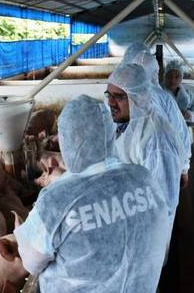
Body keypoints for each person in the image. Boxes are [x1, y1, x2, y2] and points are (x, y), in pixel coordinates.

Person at [14, 94, 169, 293]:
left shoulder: (56, 199)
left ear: (67, 140)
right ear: (110, 133)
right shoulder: (144, 177)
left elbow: (31, 262)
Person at [105, 64, 183, 235]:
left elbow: (164, 201)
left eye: (119, 97)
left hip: (145, 232)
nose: (111, 102)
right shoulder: (127, 122)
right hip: (125, 217)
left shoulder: (156, 140)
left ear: (137, 97)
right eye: (109, 95)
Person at [122, 44, 192, 188]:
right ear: (155, 71)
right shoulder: (164, 97)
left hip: (128, 169)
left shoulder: (117, 96)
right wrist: (184, 167)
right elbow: (180, 132)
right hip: (160, 166)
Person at [164, 59, 194, 124]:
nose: (173, 80)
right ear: (165, 76)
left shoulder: (188, 95)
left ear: (181, 78)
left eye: (177, 77)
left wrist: (190, 115)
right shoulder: (158, 93)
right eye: (169, 76)